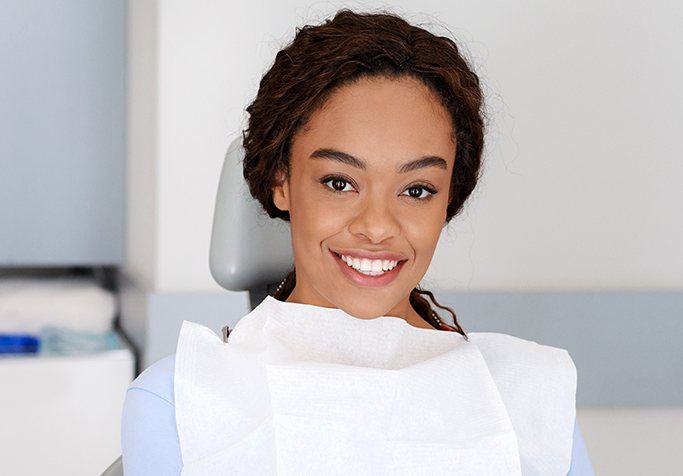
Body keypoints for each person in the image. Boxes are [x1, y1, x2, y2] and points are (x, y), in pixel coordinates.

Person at [122, 9, 595, 475]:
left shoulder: (529, 400)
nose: (377, 226)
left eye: (416, 190)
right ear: (281, 181)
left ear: (449, 199)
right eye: (339, 182)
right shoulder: (180, 402)